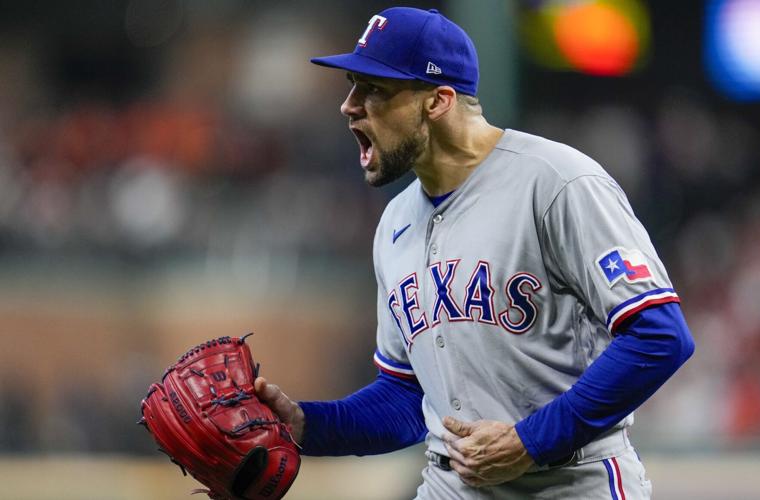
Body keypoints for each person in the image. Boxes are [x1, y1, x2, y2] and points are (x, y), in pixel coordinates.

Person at [254, 7, 695, 499]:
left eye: (373, 89)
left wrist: (530, 441)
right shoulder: (396, 222)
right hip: (451, 486)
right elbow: (407, 398)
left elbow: (659, 336)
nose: (349, 106)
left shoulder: (556, 182)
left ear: (438, 101)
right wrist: (307, 424)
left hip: (572, 484)